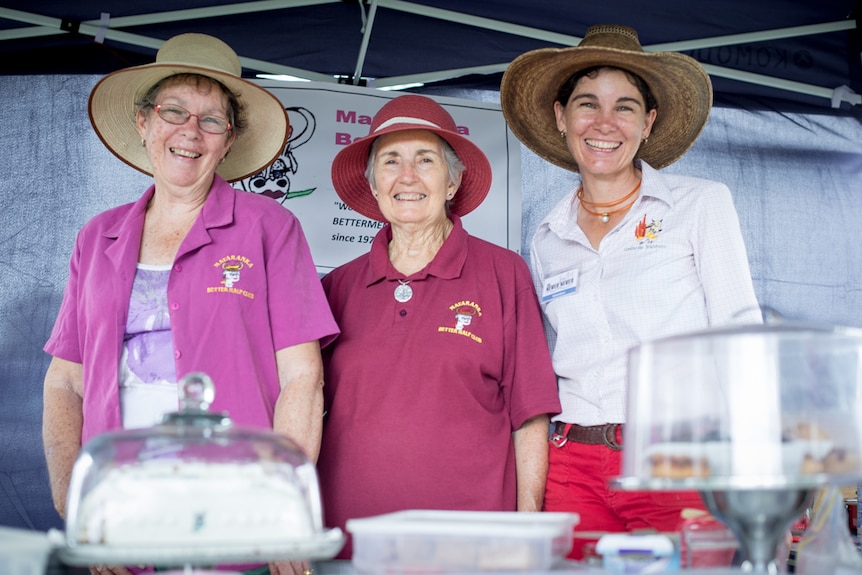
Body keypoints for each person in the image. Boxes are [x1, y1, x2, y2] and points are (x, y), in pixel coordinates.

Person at [42, 33, 338, 575]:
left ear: (228, 141)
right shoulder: (97, 237)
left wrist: (284, 508)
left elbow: (302, 378)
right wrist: (75, 500)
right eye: (173, 111)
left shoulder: (269, 227)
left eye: (211, 120)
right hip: (120, 504)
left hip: (235, 500)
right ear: (144, 122)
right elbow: (66, 380)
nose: (189, 132)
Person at [499, 24, 762, 559]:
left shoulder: (700, 204)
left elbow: (741, 335)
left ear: (649, 122)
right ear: (560, 116)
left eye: (624, 107)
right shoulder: (547, 235)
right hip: (570, 461)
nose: (603, 123)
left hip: (674, 459)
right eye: (586, 103)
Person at [316, 94, 562, 559]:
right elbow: (304, 408)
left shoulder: (503, 273)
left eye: (425, 159)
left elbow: (530, 413)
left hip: (471, 544)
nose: (407, 176)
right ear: (373, 185)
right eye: (391, 160)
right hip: (352, 541)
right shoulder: (337, 287)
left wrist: (528, 529)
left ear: (452, 182)